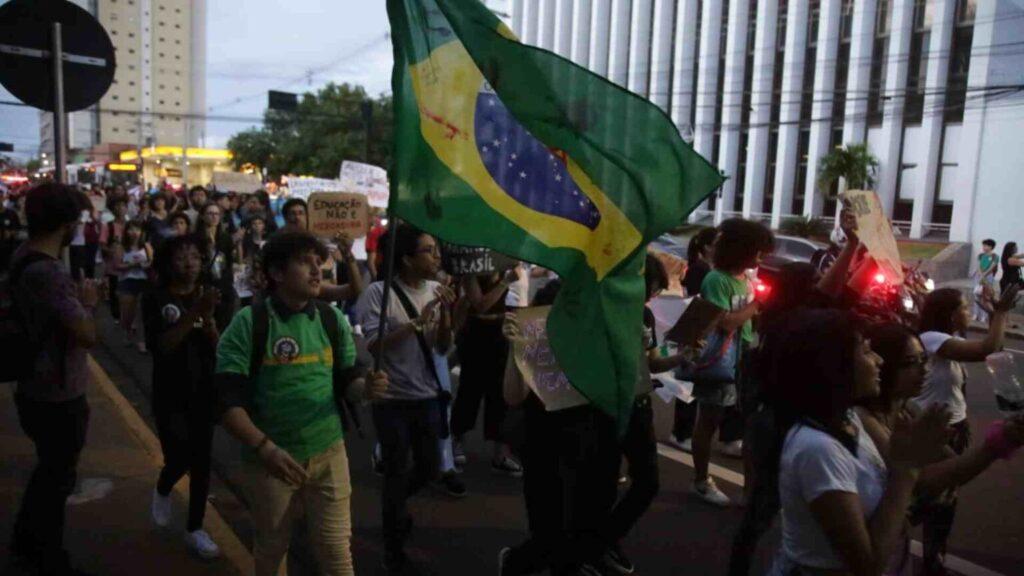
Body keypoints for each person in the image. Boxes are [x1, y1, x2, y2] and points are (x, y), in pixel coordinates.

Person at [214, 230, 387, 576]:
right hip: (270, 460)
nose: (316, 271)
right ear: (277, 273)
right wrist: (265, 449)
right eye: (304, 263)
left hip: (328, 452)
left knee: (336, 552)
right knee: (272, 549)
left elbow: (347, 381)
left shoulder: (331, 319)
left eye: (318, 263)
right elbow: (225, 402)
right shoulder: (249, 323)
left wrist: (365, 388)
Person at [766, 309, 951, 576]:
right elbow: (868, 565)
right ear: (834, 365)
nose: (878, 361)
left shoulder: (847, 418)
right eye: (866, 352)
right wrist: (907, 470)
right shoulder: (819, 449)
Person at [858, 323, 1024, 576]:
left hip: (895, 547)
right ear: (885, 366)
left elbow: (949, 465)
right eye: (910, 363)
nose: (924, 370)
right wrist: (996, 444)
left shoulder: (907, 409)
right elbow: (924, 479)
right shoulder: (864, 419)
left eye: (924, 360)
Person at [498, 279, 620, 576]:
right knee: (549, 534)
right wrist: (516, 351)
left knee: (579, 532)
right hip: (543, 449)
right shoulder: (532, 344)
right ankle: (515, 563)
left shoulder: (596, 342)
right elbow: (513, 396)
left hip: (588, 445)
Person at [9, 183, 99, 576]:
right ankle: (46, 556)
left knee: (48, 471)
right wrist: (89, 304)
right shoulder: (49, 273)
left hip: (31, 383)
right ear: (66, 225)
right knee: (57, 478)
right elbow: (87, 335)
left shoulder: (23, 257)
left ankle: (26, 540)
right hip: (58, 392)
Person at [355, 224, 456, 574]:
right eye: (429, 250)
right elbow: (374, 346)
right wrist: (417, 321)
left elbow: (442, 348)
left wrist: (444, 318)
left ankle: (396, 509)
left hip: (427, 396)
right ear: (407, 259)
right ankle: (393, 546)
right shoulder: (378, 293)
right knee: (396, 472)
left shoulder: (438, 290)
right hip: (392, 399)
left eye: (437, 250)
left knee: (428, 468)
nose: (437, 257)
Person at [910, 285, 1020, 574]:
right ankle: (900, 541)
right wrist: (1000, 312)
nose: (968, 312)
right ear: (948, 314)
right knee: (934, 496)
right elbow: (988, 348)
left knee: (945, 498)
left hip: (953, 428)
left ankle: (934, 556)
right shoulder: (933, 340)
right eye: (962, 307)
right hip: (934, 432)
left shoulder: (947, 340)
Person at [143, 234, 233, 559]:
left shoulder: (213, 296)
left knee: (202, 462)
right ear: (168, 263)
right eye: (182, 257)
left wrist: (208, 322)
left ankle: (195, 528)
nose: (190, 263)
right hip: (169, 391)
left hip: (205, 390)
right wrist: (196, 312)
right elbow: (164, 345)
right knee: (178, 457)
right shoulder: (155, 298)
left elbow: (223, 346)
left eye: (195, 256)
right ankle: (164, 486)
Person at [691, 218, 774, 507]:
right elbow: (724, 322)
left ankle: (751, 491)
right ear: (741, 250)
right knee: (708, 422)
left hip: (744, 360)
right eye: (757, 252)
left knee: (749, 424)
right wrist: (756, 305)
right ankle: (701, 481)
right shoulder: (716, 280)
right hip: (720, 360)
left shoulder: (745, 279)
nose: (760, 258)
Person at [451, 267, 523, 475]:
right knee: (469, 391)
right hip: (476, 334)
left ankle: (500, 454)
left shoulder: (504, 264)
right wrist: (505, 281)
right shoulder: (471, 270)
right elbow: (481, 305)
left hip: (499, 332)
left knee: (500, 394)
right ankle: (456, 440)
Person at [669, 226, 718, 453]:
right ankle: (681, 433)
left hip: (699, 328)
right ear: (707, 247)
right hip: (694, 327)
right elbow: (695, 301)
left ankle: (683, 431)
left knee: (693, 383)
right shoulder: (700, 269)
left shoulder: (707, 268)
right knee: (687, 384)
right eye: (718, 243)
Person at [115, 220, 153, 353]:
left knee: (143, 312)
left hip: (143, 281)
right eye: (131, 229)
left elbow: (151, 262)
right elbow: (117, 265)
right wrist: (131, 264)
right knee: (127, 313)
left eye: (137, 229)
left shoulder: (146, 246)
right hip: (127, 281)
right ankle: (128, 331)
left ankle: (141, 340)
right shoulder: (121, 247)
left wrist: (145, 264)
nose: (134, 233)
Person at [100, 197, 130, 320]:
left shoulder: (131, 225)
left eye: (123, 205)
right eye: (117, 206)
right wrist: (111, 251)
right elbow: (102, 244)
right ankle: (116, 316)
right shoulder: (108, 226)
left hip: (130, 265)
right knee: (115, 293)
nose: (120, 208)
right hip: (114, 267)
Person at [68, 205, 101, 281]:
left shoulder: (85, 212)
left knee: (82, 267)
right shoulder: (79, 212)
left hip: (82, 242)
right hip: (75, 242)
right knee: (75, 268)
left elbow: (82, 222)